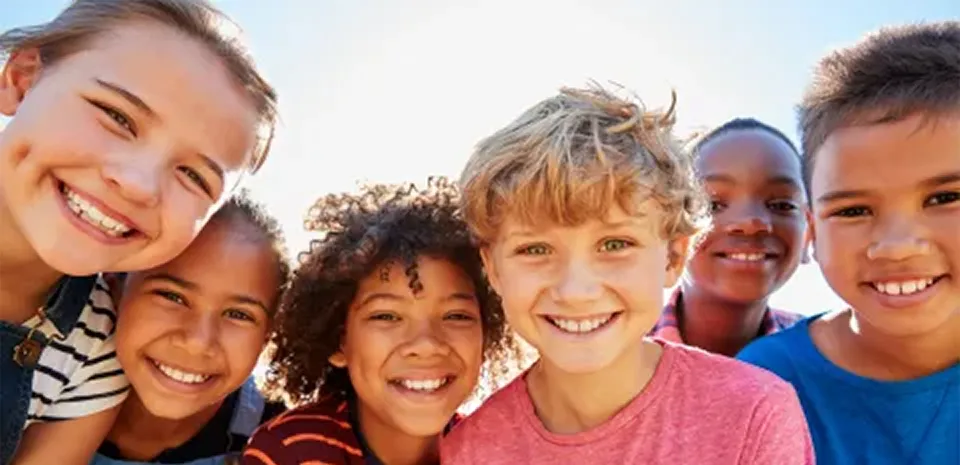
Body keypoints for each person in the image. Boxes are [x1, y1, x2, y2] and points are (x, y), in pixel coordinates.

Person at [440, 83, 814, 464]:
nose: (577, 291)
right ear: (493, 269)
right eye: (535, 249)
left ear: (672, 256)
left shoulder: (755, 413)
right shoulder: (469, 450)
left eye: (615, 245)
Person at [0, 0, 277, 462]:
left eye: (194, 176)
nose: (138, 184)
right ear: (23, 79)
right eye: (118, 117)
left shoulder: (94, 358)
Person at [737, 22, 960, 465]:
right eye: (853, 211)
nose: (897, 247)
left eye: (945, 198)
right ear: (813, 232)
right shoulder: (762, 385)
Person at [242, 178, 519, 465]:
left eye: (456, 316)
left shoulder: (496, 453)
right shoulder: (295, 449)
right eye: (386, 316)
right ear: (338, 340)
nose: (426, 344)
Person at [91, 192, 288, 464]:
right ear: (114, 286)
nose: (197, 341)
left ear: (267, 337)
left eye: (238, 314)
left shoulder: (286, 441)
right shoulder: (39, 383)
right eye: (172, 297)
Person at [650, 118, 807, 356]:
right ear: (672, 232)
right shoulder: (615, 354)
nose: (751, 223)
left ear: (810, 232)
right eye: (713, 205)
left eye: (782, 205)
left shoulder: (829, 359)